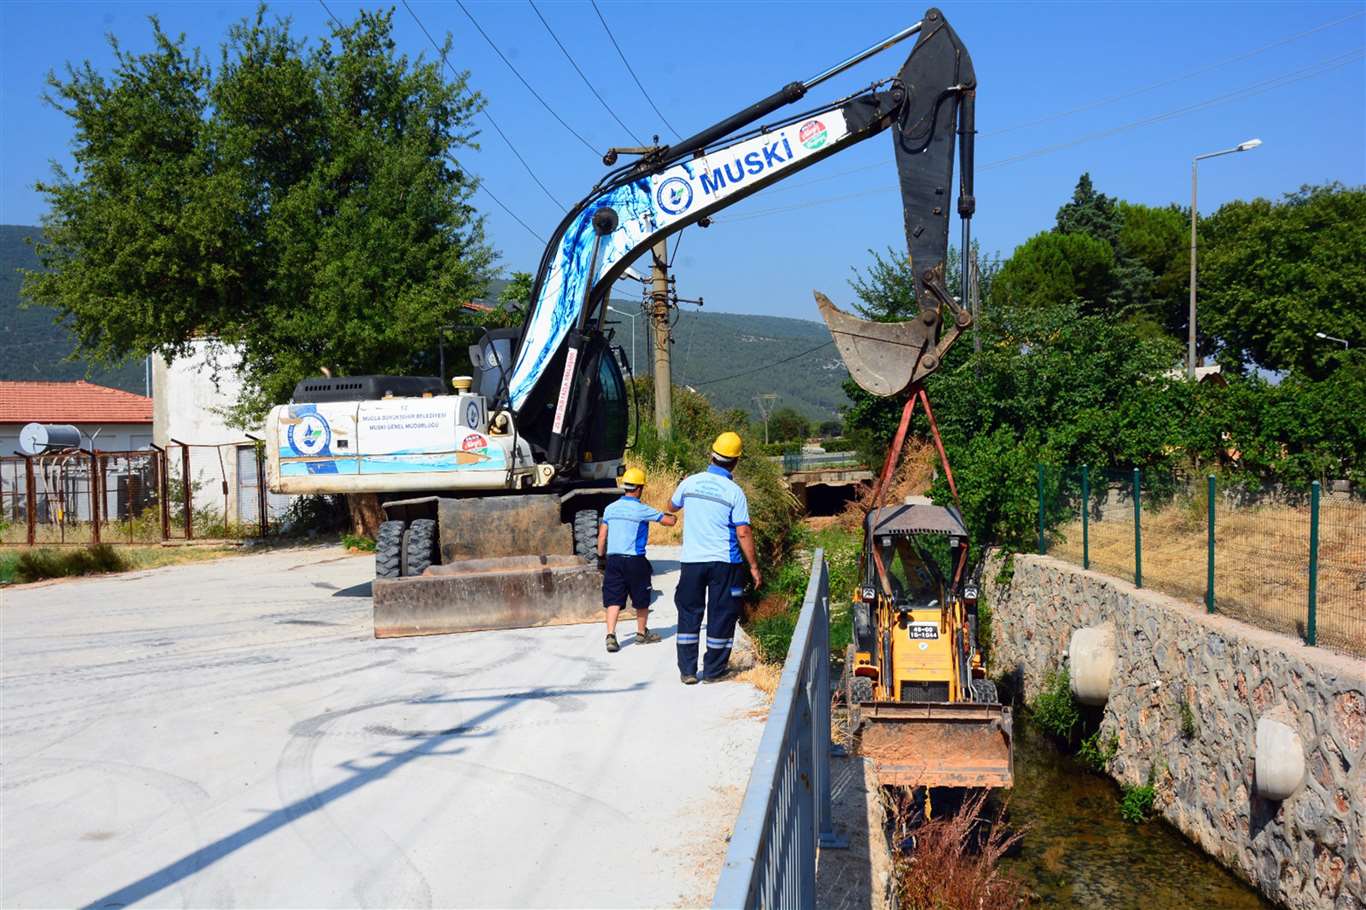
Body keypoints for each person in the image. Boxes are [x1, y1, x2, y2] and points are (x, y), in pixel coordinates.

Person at [667, 431, 762, 685]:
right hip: (725, 563)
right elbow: (742, 531)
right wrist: (753, 566)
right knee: (722, 614)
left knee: (688, 612)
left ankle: (687, 671)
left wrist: (683, 485)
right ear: (735, 462)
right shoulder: (734, 491)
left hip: (692, 561)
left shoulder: (690, 483)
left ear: (712, 454)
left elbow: (671, 506)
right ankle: (713, 671)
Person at [598, 467, 676, 653]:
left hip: (614, 559)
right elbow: (669, 522)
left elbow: (602, 537)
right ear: (640, 488)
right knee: (641, 597)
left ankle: (610, 635)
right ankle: (641, 634)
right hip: (635, 560)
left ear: (625, 486)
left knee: (614, 598)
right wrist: (674, 512)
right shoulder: (642, 510)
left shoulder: (610, 509)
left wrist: (601, 557)